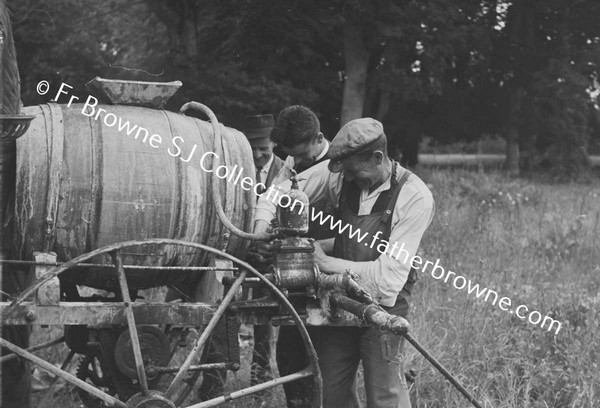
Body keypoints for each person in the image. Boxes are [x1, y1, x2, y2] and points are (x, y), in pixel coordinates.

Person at [254, 118, 435, 408]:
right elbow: (278, 194)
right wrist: (261, 228)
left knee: (385, 395)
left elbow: (386, 280)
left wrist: (325, 261)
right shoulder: (342, 178)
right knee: (330, 394)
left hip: (383, 308)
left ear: (378, 158)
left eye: (354, 171)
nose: (347, 179)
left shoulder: (414, 197)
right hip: (338, 302)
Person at [255, 105, 334, 408]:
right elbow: (272, 198)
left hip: (328, 267)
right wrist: (261, 230)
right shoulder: (292, 160)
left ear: (319, 139)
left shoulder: (338, 165)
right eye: (292, 156)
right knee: (289, 353)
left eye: (302, 156)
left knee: (322, 355)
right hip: (294, 270)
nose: (296, 162)